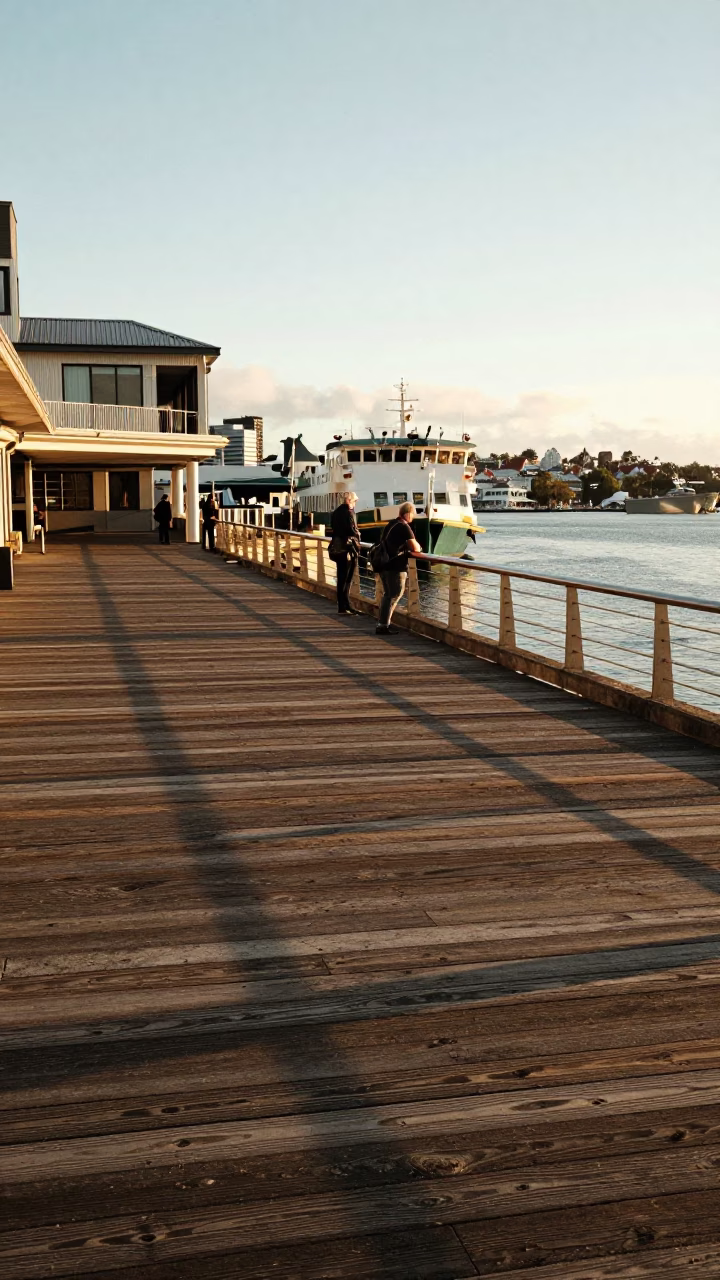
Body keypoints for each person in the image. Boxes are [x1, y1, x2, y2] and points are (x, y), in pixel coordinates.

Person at [375, 501, 422, 635]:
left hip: (384, 564)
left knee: (388, 594)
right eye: (412, 514)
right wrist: (420, 548)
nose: (412, 518)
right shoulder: (403, 527)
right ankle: (383, 625)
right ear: (407, 514)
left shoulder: (391, 524)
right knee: (394, 594)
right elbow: (415, 547)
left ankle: (383, 624)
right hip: (395, 566)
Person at [329, 492, 361, 615]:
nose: (355, 504)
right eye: (354, 501)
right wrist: (358, 535)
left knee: (341, 577)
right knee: (347, 578)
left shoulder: (336, 512)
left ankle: (342, 606)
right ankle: (345, 605)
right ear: (349, 500)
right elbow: (352, 530)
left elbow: (334, 527)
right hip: (347, 548)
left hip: (336, 547)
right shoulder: (349, 512)